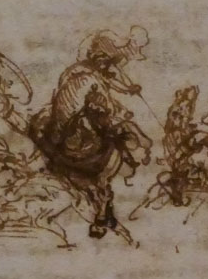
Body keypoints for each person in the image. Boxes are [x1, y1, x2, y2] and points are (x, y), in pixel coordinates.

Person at [26, 28, 152, 239]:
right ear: (102, 58)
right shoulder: (93, 82)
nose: (113, 66)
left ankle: (101, 206)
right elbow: (106, 111)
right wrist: (122, 116)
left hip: (55, 132)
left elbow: (109, 81)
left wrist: (127, 89)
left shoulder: (78, 71)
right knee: (130, 138)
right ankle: (102, 207)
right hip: (76, 140)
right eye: (111, 61)